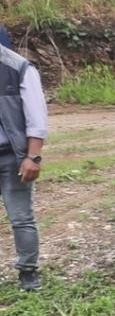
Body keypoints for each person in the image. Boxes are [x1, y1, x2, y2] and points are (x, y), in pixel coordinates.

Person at [0, 33, 47, 291]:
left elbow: (36, 116)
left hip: (11, 156)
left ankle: (28, 271)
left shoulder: (18, 67)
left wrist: (33, 156)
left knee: (20, 218)